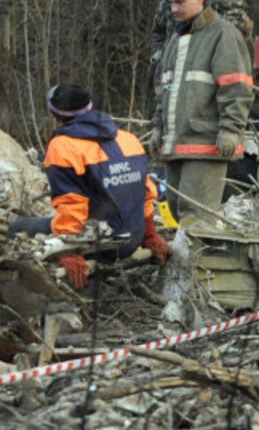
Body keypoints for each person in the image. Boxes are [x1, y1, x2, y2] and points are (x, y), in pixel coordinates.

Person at [11, 84, 169, 289]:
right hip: (134, 237)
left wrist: (68, 250)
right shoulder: (128, 139)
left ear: (54, 113)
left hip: (104, 244)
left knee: (16, 228)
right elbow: (147, 193)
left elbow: (71, 203)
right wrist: (149, 234)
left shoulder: (63, 146)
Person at [155, 0, 255, 227]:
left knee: (198, 219)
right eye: (171, 2)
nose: (173, 9)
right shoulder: (177, 38)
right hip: (176, 144)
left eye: (180, 2)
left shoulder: (223, 34)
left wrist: (231, 130)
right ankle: (192, 265)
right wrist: (158, 128)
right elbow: (164, 90)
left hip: (207, 144)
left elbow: (237, 88)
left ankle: (204, 266)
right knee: (178, 212)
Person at [150, 0, 254, 74]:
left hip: (220, 69)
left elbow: (239, 34)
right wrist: (163, 57)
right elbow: (159, 32)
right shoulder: (171, 0)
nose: (175, 8)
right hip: (178, 73)